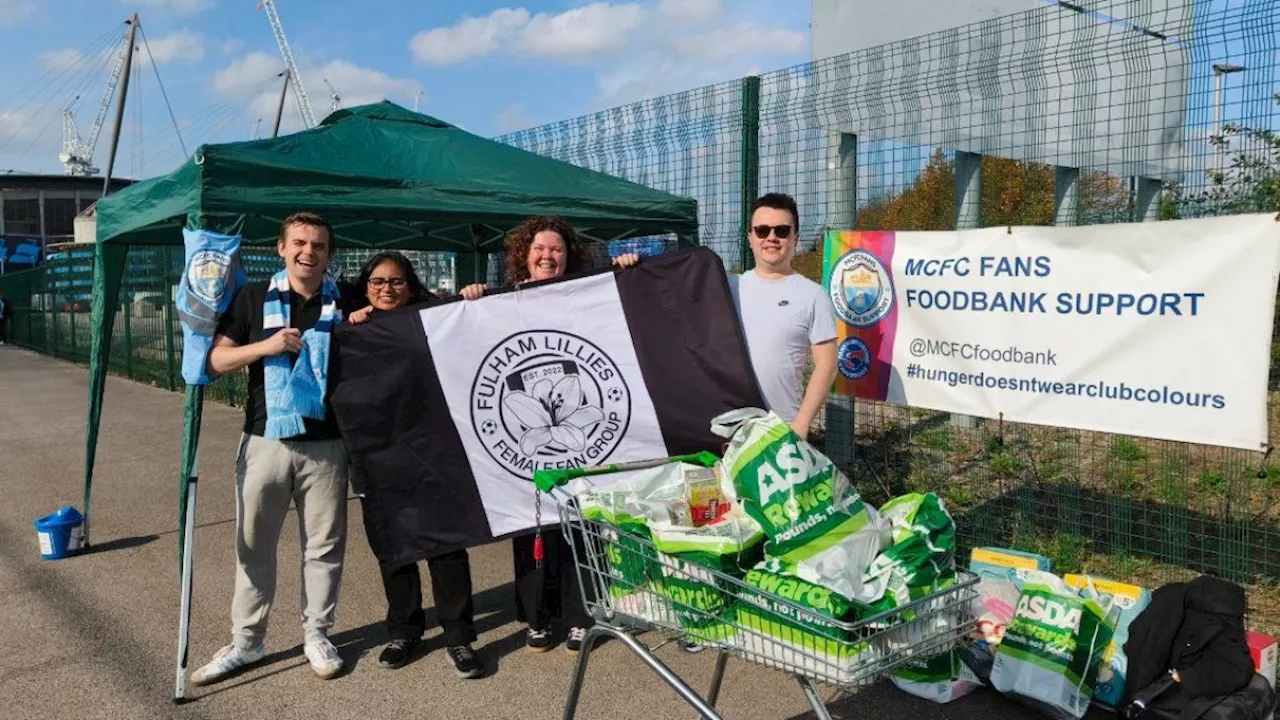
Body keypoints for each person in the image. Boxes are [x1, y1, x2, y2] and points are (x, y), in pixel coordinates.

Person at [191, 212, 360, 686]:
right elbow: (218, 359)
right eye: (300, 243)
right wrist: (265, 347)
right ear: (282, 248)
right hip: (265, 438)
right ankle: (247, 643)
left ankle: (317, 635)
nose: (309, 252)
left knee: (324, 547)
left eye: (319, 245)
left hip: (326, 443)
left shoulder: (346, 299)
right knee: (253, 545)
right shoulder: (251, 298)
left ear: (329, 254)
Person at [460, 215, 639, 655]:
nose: (548, 256)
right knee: (533, 526)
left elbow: (624, 312)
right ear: (524, 255)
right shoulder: (500, 301)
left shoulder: (587, 295)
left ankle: (583, 617)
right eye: (539, 249)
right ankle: (538, 618)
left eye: (556, 249)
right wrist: (471, 298)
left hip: (585, 433)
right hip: (524, 436)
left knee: (584, 527)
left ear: (569, 256)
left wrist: (629, 271)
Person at [344, 252, 484, 679]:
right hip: (377, 455)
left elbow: (472, 334)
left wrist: (472, 298)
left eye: (397, 282)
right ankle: (405, 630)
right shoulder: (351, 328)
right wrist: (350, 323)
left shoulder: (433, 318)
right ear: (365, 285)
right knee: (392, 547)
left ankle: (458, 637)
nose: (387, 289)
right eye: (378, 282)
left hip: (434, 451)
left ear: (411, 285)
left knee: (445, 547)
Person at [732, 192, 838, 439]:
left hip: (782, 428)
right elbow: (673, 294)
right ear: (750, 238)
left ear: (795, 238)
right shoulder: (727, 288)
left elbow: (827, 364)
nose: (771, 237)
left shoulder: (813, 295)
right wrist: (630, 268)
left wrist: (801, 424)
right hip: (729, 426)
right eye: (762, 230)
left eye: (781, 231)